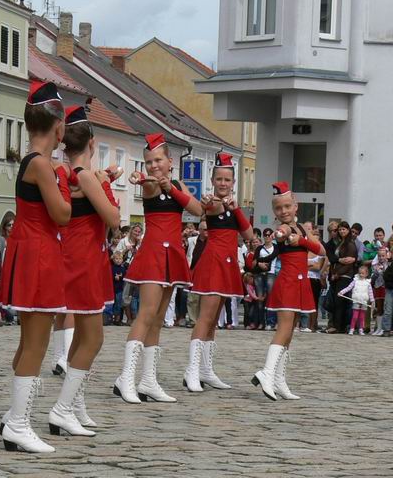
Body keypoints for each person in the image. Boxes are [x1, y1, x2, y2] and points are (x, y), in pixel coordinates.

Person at [0, 80, 73, 453]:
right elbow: (62, 214)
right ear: (58, 127)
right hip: (39, 254)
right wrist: (64, 182)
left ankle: (15, 414)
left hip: (29, 251)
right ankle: (19, 422)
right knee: (36, 344)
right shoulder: (43, 165)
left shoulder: (33, 161)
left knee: (30, 341)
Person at [113, 133, 202, 404]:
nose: (153, 166)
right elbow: (145, 182)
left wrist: (173, 187)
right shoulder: (152, 183)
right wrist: (139, 178)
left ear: (170, 160)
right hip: (153, 254)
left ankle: (148, 380)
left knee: (159, 318)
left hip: (171, 255)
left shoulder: (177, 183)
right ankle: (126, 377)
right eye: (149, 161)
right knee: (146, 314)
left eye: (158, 160)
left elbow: (197, 209)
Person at [48, 105, 120, 437]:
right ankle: (63, 408)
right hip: (85, 258)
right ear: (91, 143)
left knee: (82, 337)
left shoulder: (64, 173)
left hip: (76, 255)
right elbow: (114, 219)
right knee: (93, 337)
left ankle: (75, 404)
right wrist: (105, 184)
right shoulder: (86, 175)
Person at [183, 152, 254, 392]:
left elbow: (249, 235)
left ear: (233, 183)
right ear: (212, 180)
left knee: (214, 320)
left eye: (227, 180)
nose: (223, 183)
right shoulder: (213, 203)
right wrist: (215, 202)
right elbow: (208, 207)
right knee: (205, 317)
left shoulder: (234, 207)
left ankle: (206, 369)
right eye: (219, 179)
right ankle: (191, 370)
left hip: (228, 262)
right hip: (213, 262)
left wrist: (236, 209)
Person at [252, 182, 325, 400]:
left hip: (299, 282)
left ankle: (279, 380)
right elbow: (280, 234)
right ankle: (267, 372)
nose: (283, 211)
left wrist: (301, 239)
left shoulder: (302, 228)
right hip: (288, 283)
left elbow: (321, 250)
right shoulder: (283, 228)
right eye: (278, 208)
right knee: (283, 329)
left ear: (295, 206)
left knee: (290, 333)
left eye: (287, 206)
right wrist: (283, 235)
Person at [329, 221, 358, 333]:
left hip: (345, 276)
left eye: (344, 229)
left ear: (348, 230)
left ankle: (339, 326)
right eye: (340, 229)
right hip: (337, 275)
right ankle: (337, 325)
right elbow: (335, 259)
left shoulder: (350, 244)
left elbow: (349, 263)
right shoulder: (341, 242)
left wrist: (337, 274)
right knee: (337, 301)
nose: (341, 231)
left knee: (340, 301)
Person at [339, 265, 375, 335]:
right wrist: (341, 292)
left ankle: (361, 329)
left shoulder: (368, 283)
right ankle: (352, 329)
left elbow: (370, 293)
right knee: (355, 316)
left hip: (364, 302)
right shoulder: (355, 281)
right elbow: (348, 288)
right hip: (356, 301)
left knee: (362, 317)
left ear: (366, 274)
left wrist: (372, 301)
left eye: (363, 273)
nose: (361, 275)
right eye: (360, 273)